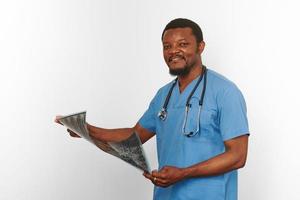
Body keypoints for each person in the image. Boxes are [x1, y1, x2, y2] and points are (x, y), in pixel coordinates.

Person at [55, 18, 249, 200]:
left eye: (183, 44)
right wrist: (87, 130)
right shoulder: (164, 95)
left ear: (200, 47)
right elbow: (134, 136)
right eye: (167, 46)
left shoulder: (225, 92)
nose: (174, 51)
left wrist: (183, 173)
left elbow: (238, 156)